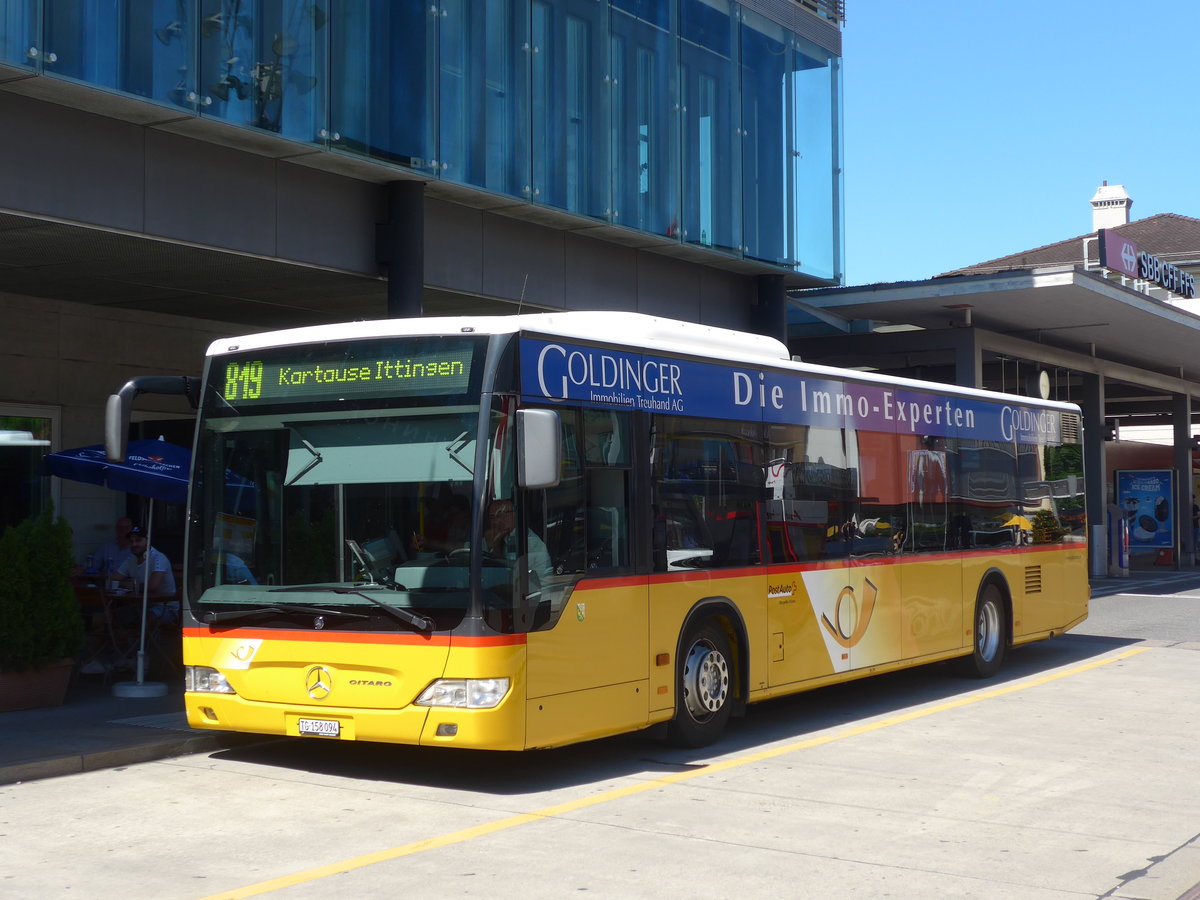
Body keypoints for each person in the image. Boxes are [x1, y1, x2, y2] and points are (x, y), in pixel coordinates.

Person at [110, 525, 179, 626]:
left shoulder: (158, 558)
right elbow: (114, 578)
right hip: (141, 606)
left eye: (138, 540)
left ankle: (134, 640)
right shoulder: (131, 559)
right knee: (108, 617)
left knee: (143, 620)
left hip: (165, 607)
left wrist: (129, 585)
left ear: (147, 541)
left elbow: (152, 586)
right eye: (131, 541)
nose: (134, 544)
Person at [482, 499, 553, 584]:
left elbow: (509, 574)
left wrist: (495, 545)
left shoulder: (527, 540)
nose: (496, 521)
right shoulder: (496, 536)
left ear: (514, 514)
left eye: (501, 515)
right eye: (492, 517)